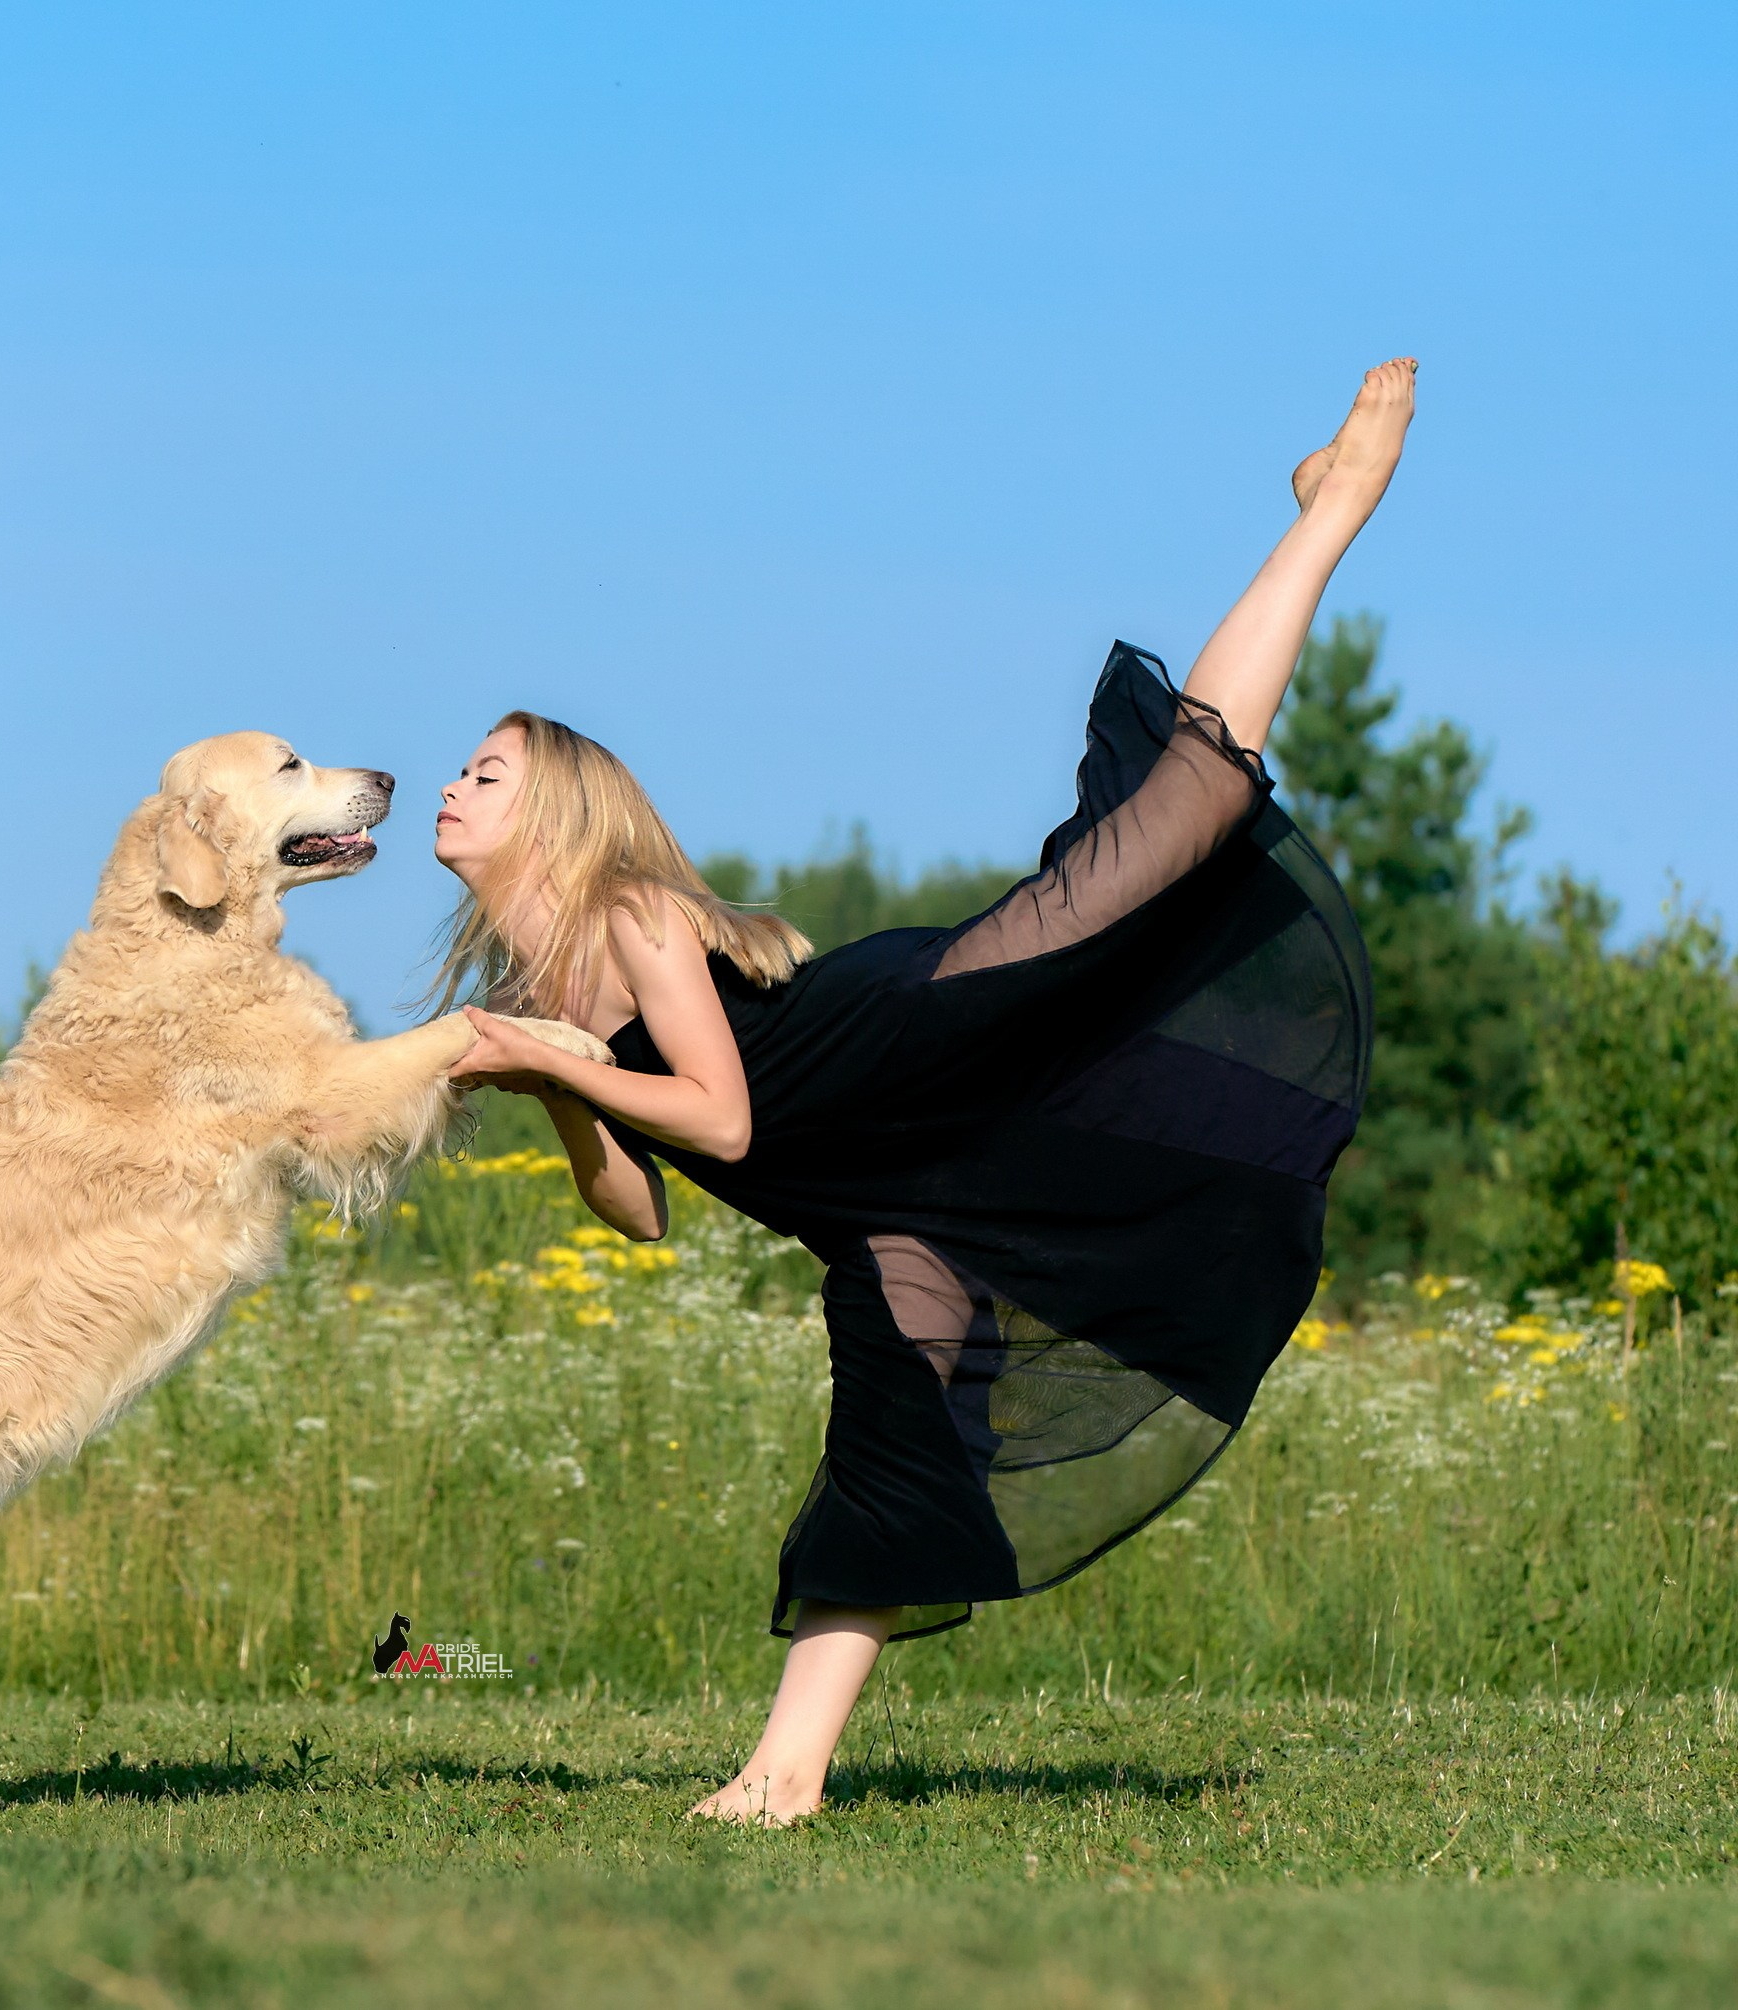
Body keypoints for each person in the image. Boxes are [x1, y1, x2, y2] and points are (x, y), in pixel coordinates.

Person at [438, 360, 1412, 1824]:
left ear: (559, 811)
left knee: (1184, 811)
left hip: (917, 1035)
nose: (455, 786)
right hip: (879, 1195)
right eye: (463, 770)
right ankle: (784, 1778)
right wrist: (561, 1082)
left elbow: (724, 1119)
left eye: (487, 772)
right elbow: (638, 1213)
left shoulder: (635, 915)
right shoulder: (540, 1005)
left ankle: (1329, 510)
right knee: (891, 1446)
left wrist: (546, 1061)